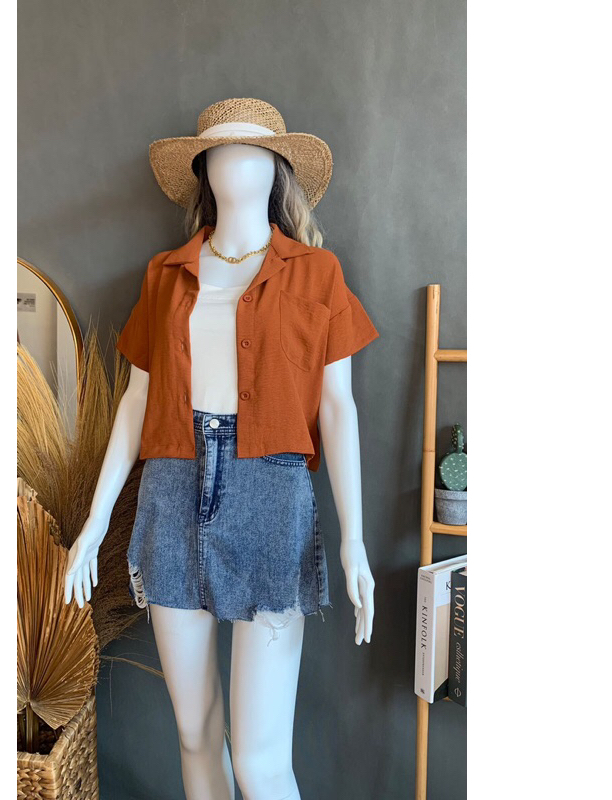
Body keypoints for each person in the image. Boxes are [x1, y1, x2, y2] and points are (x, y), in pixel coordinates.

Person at [66, 98, 380, 800]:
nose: (235, 163)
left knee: (260, 762)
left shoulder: (316, 273)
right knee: (195, 733)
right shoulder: (165, 274)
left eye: (253, 150)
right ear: (202, 170)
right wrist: (95, 522)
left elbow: (338, 407)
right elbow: (137, 401)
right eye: (219, 152)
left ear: (278, 169)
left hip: (271, 493)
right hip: (170, 489)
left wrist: (354, 541)